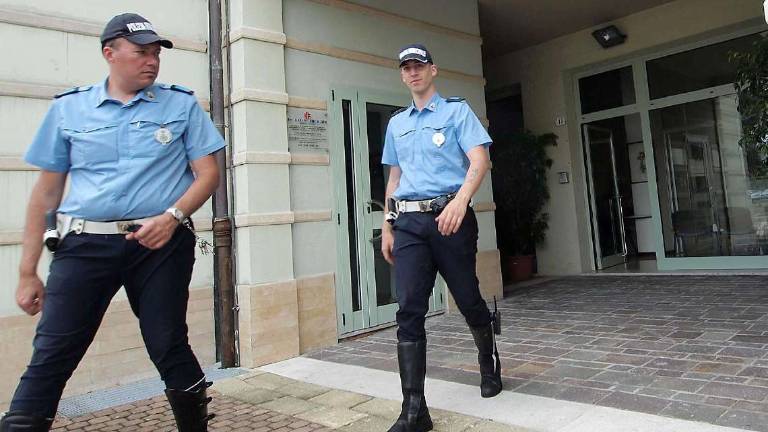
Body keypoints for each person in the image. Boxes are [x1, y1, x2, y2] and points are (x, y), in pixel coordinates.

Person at [0, 13, 224, 432]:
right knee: (53, 350)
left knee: (167, 342)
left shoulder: (181, 105)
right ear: (110, 53)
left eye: (156, 54)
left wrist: (174, 217)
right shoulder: (69, 108)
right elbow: (45, 194)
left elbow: (208, 173)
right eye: (142, 52)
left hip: (160, 245)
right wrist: (27, 271)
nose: (152, 61)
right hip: (84, 245)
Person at [381, 44, 503, 432]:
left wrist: (460, 203)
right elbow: (395, 179)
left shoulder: (456, 111)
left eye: (419, 66)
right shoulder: (397, 124)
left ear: (433, 70)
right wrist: (388, 223)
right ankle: (414, 411)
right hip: (410, 225)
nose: (413, 73)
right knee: (409, 310)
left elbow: (480, 159)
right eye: (406, 68)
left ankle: (489, 360)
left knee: (467, 298)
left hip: (451, 219)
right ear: (402, 76)